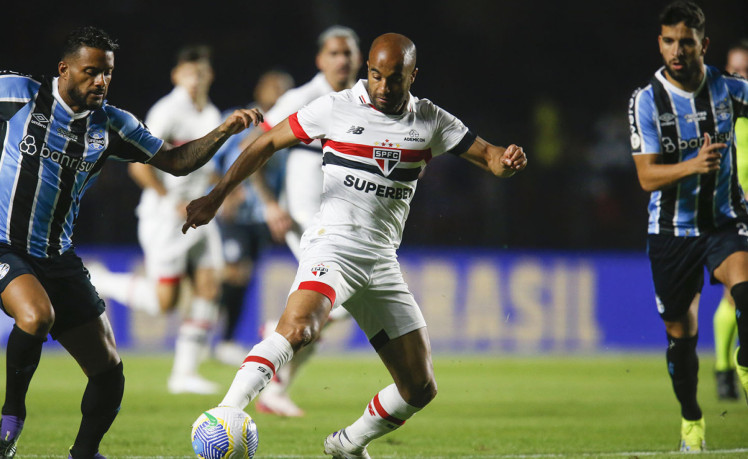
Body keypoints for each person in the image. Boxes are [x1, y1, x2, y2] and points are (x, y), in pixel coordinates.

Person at [182, 32, 527, 458]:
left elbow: (489, 155)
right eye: (377, 76)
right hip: (333, 246)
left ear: (412, 76)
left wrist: (505, 162)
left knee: (419, 387)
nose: (383, 87)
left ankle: (347, 444)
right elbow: (268, 142)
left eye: (395, 79)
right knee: (299, 329)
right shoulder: (336, 107)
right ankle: (224, 413)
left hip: (382, 261)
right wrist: (216, 197)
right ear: (368, 71)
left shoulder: (431, 120)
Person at [0, 26, 261, 459]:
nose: (100, 82)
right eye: (90, 73)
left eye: (107, 73)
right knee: (37, 315)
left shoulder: (113, 125)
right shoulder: (19, 94)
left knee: (109, 371)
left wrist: (225, 131)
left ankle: (84, 454)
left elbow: (176, 162)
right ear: (64, 70)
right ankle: (11, 419)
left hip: (58, 258)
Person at [628, 1, 748, 452]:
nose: (677, 50)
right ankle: (692, 418)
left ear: (703, 44)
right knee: (682, 340)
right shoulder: (646, 100)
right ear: (660, 43)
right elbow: (646, 177)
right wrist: (692, 165)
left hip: (724, 222)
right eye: (669, 41)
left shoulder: (728, 89)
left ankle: (743, 365)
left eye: (686, 41)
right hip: (671, 233)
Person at [87, 44, 226, 395]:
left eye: (202, 73)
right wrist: (170, 201)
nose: (196, 79)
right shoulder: (168, 110)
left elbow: (202, 166)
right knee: (166, 302)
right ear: (177, 76)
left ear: (210, 76)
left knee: (210, 286)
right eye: (190, 73)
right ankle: (103, 281)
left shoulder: (209, 112)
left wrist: (220, 190)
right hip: (166, 218)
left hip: (197, 214)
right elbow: (138, 165)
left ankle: (184, 373)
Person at [251, 25, 364, 418]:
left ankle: (276, 383)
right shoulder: (302, 98)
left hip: (346, 221)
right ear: (320, 59)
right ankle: (275, 356)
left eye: (348, 53)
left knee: (321, 309)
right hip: (307, 218)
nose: (342, 60)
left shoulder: (363, 100)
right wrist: (269, 204)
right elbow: (256, 146)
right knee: (341, 300)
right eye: (334, 53)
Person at [211, 69, 295, 366]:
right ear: (260, 90)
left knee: (243, 277)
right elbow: (212, 160)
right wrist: (227, 192)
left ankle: (224, 339)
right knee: (235, 272)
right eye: (274, 87)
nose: (279, 93)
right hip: (235, 212)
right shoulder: (242, 121)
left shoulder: (289, 127)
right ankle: (215, 335)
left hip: (262, 216)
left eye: (285, 89)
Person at [712, 39, 748, 401]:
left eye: (746, 71)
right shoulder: (721, 116)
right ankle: (725, 369)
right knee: (736, 293)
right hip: (733, 214)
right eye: (734, 69)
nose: (739, 76)